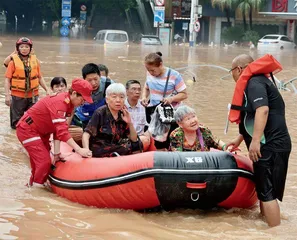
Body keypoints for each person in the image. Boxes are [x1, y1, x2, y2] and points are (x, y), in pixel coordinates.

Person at [226, 54, 291, 227]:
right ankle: (266, 225)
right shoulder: (262, 81)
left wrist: (255, 142)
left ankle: (273, 233)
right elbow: (251, 117)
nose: (232, 75)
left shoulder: (254, 83)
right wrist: (240, 139)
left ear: (239, 69)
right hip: (276, 144)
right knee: (266, 190)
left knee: (267, 192)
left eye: (231, 71)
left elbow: (262, 111)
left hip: (268, 145)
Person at [16, 78, 93, 187]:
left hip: (42, 132)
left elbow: (58, 130)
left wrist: (56, 153)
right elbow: (62, 132)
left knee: (39, 163)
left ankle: (31, 185)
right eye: (83, 99)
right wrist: (79, 149)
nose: (83, 103)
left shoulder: (70, 105)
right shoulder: (60, 103)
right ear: (74, 93)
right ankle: (35, 193)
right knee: (44, 162)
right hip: (28, 130)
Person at [141, 51, 187, 149]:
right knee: (158, 143)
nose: (150, 73)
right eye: (148, 70)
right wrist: (144, 97)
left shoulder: (174, 75)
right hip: (154, 113)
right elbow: (146, 87)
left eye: (153, 70)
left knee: (171, 142)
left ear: (160, 65)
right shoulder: (149, 74)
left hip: (170, 115)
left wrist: (171, 99)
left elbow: (184, 94)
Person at [82, 83, 142, 157]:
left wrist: (129, 122)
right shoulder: (100, 113)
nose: (118, 100)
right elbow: (86, 134)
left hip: (117, 146)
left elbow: (133, 139)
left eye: (121, 97)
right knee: (124, 148)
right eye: (114, 97)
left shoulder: (123, 113)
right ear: (107, 99)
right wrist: (86, 150)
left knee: (136, 144)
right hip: (101, 148)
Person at [4, 37, 50, 129]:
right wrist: (7, 95)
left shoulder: (35, 61)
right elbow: (7, 79)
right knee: (16, 124)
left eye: (26, 47)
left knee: (33, 121)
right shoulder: (12, 62)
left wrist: (47, 90)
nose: (24, 49)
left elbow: (39, 77)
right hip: (18, 96)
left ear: (30, 49)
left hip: (33, 95)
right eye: (21, 47)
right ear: (18, 49)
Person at [72, 63, 114, 129]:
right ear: (84, 79)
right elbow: (72, 104)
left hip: (102, 117)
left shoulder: (109, 84)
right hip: (83, 115)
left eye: (95, 79)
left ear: (100, 76)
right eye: (89, 80)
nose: (93, 83)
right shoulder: (79, 86)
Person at [125, 80, 150, 151]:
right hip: (125, 138)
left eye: (139, 89)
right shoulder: (121, 106)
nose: (137, 92)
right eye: (134, 89)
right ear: (126, 91)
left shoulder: (145, 106)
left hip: (141, 138)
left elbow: (148, 125)